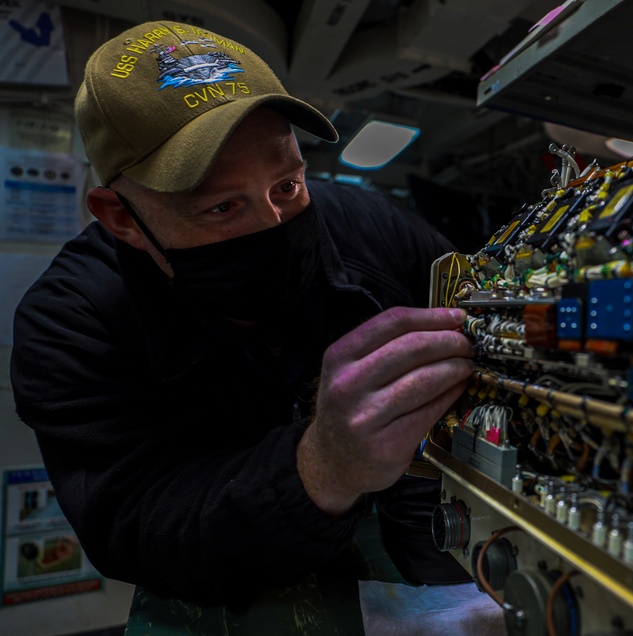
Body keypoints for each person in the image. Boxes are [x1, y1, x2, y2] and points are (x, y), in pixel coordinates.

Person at [9, 19, 481, 615]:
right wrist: (321, 466)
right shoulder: (72, 321)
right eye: (222, 206)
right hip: (225, 586)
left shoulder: (375, 230)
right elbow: (134, 525)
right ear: (120, 216)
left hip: (423, 558)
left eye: (286, 184)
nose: (272, 224)